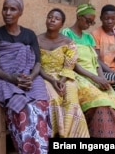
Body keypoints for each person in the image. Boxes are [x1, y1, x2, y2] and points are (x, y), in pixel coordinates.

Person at [61, 3, 115, 137]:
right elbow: (72, 62)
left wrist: (101, 77)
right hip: (80, 75)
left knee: (114, 102)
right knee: (102, 101)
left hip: (96, 75)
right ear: (79, 17)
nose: (90, 24)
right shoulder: (66, 33)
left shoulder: (88, 38)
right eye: (88, 20)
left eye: (92, 22)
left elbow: (96, 61)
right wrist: (95, 78)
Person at [0, 0, 50, 153]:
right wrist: (12, 79)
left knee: (39, 107)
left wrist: (31, 78)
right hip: (5, 79)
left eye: (12, 9)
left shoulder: (29, 34)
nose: (8, 12)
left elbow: (37, 63)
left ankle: (41, 149)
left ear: (20, 12)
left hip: (29, 78)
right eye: (5, 8)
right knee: (24, 109)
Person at [38, 8, 90, 138]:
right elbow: (36, 65)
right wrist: (52, 80)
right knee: (53, 99)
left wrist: (60, 81)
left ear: (62, 24)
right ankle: (55, 135)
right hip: (45, 77)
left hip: (65, 77)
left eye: (57, 19)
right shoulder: (36, 40)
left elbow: (69, 66)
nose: (52, 20)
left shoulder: (68, 42)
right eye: (50, 17)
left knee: (71, 100)